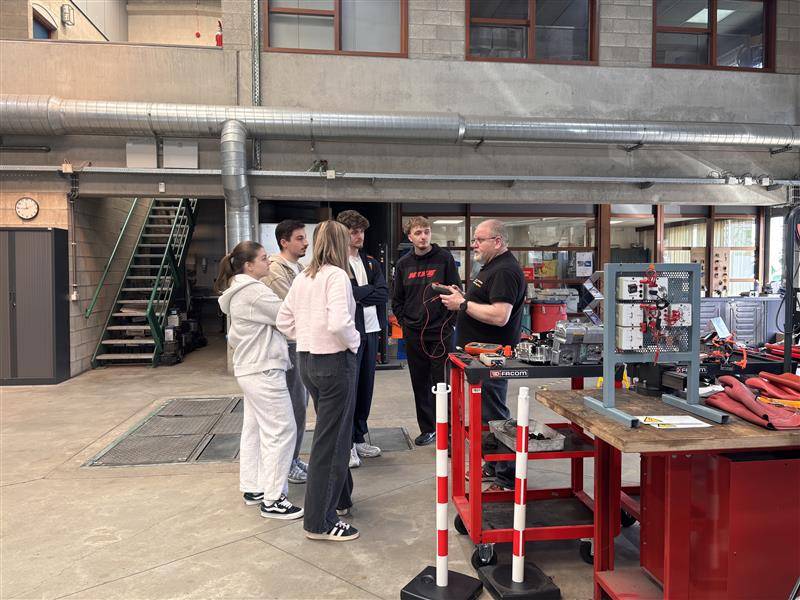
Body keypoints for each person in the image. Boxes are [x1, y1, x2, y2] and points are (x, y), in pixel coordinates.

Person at [276, 220, 362, 542]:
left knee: (332, 432)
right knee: (333, 442)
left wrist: (307, 335)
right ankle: (320, 522)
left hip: (307, 361)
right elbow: (339, 323)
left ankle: (340, 499)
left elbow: (283, 320)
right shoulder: (337, 276)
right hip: (335, 362)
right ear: (341, 244)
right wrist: (354, 342)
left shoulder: (304, 276)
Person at [215, 241, 303, 520]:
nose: (269, 262)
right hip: (264, 369)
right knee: (282, 430)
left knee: (254, 429)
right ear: (249, 265)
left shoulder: (240, 289)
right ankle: (274, 499)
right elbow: (287, 316)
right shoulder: (254, 292)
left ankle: (254, 487)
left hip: (251, 369)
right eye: (264, 258)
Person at [440, 219, 526, 491]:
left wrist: (462, 304)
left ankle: (507, 478)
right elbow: (484, 303)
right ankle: (493, 464)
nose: (474, 244)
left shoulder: (505, 271)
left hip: (492, 357)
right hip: (478, 356)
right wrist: (463, 298)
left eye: (479, 240)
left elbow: (500, 315)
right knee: (486, 417)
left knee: (495, 416)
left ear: (497, 242)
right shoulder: (491, 267)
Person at [391, 216, 461, 446]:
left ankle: (448, 431)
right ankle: (428, 428)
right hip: (414, 333)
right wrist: (405, 323)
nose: (423, 237)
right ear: (410, 237)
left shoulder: (444, 258)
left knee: (443, 383)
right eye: (418, 233)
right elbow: (397, 299)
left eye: (427, 232)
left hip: (441, 332)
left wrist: (450, 323)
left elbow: (456, 293)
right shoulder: (403, 264)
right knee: (420, 382)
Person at [336, 210, 388, 468]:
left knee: (366, 387)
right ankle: (345, 445)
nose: (360, 236)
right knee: (349, 389)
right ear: (343, 234)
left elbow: (383, 293)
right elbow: (348, 295)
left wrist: (360, 293)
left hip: (371, 330)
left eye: (362, 232)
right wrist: (365, 292)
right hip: (350, 333)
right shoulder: (337, 265)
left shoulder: (370, 262)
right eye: (354, 232)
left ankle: (358, 438)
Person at [261, 219, 310, 485]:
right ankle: (288, 463)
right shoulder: (275, 271)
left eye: (305, 238)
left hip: (300, 342)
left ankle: (293, 457)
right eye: (300, 238)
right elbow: (294, 308)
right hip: (288, 345)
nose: (306, 243)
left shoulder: (299, 268)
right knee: (293, 406)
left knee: (300, 405)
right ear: (284, 242)